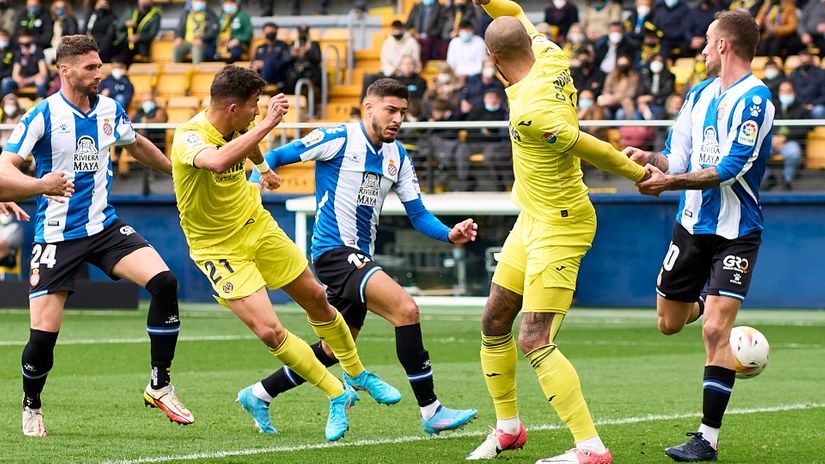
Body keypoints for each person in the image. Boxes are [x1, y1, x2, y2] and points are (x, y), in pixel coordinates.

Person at [240, 77, 479, 436]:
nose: (398, 119)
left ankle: (259, 393)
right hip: (334, 253)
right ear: (369, 107)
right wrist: (262, 176)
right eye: (391, 110)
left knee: (334, 348)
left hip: (360, 256)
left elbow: (418, 214)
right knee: (406, 309)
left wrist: (448, 233)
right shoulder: (337, 138)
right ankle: (431, 410)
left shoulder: (398, 156)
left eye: (403, 112)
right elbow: (276, 155)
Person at [465, 0, 649, 462]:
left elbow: (593, 148)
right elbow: (512, 9)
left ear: (493, 61)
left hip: (562, 224)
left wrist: (639, 175)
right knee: (493, 322)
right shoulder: (549, 52)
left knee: (534, 339)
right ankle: (508, 427)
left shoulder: (532, 111)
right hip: (532, 217)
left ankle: (590, 448)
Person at [170, 65, 395, 441]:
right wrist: (269, 123)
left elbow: (245, 139)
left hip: (256, 226)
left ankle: (357, 374)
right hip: (218, 248)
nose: (257, 111)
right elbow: (219, 160)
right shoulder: (188, 137)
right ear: (231, 107)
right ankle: (336, 393)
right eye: (254, 105)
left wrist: (262, 168)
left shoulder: (237, 126)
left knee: (318, 302)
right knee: (270, 331)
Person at [0, 34, 191, 437]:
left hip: (104, 226)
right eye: (90, 68)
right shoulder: (43, 115)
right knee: (43, 339)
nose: (99, 74)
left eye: (99, 65)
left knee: (164, 281)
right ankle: (31, 403)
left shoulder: (109, 108)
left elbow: (135, 143)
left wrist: (176, 174)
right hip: (56, 234)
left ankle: (160, 384)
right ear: (64, 70)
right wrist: (39, 186)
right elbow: (3, 172)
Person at [625, 11, 773, 462]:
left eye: (708, 43)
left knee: (714, 331)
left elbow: (730, 170)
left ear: (725, 45)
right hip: (690, 227)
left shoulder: (756, 100)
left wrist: (668, 184)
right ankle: (712, 300)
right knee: (669, 323)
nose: (703, 50)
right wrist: (650, 159)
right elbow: (677, 156)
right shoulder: (698, 94)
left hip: (736, 232)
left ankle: (706, 438)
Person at [1, 29, 48, 98]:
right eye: (21, 44)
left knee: (40, 81)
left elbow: (43, 73)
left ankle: (41, 104)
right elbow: (15, 73)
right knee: (6, 82)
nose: (23, 47)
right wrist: (19, 79)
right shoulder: (19, 53)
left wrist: (27, 80)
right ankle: (8, 104)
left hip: (34, 79)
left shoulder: (38, 51)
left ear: (31, 40)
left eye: (26, 44)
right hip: (23, 80)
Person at [114, 0, 161, 65]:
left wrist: (138, 37)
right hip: (126, 42)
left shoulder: (155, 15)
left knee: (126, 55)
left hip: (142, 46)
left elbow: (152, 33)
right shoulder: (130, 11)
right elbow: (118, 26)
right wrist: (125, 23)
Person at [172, 0, 218, 65]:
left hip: (203, 43)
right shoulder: (186, 13)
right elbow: (179, 28)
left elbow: (213, 31)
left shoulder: (210, 14)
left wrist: (202, 39)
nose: (198, 2)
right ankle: (176, 72)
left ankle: (196, 71)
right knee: (177, 48)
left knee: (197, 49)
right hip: (187, 42)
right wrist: (178, 37)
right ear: (192, 2)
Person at [252, 22, 289, 89]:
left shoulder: (283, 45)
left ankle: (262, 85)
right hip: (261, 74)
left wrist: (265, 64)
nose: (270, 34)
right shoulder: (260, 47)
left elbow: (284, 62)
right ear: (264, 33)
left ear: (276, 32)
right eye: (268, 32)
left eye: (272, 32)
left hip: (278, 76)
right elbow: (255, 61)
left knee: (268, 62)